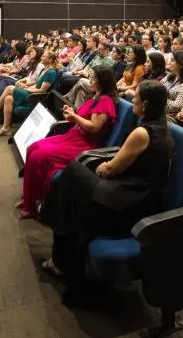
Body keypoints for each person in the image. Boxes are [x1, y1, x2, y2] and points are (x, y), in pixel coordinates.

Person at [40, 80, 173, 300]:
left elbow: (110, 169)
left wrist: (101, 169)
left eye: (137, 98)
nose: (132, 103)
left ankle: (50, 219)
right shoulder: (161, 127)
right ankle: (58, 245)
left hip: (131, 200)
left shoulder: (142, 132)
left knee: (72, 172)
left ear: (146, 104)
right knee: (69, 190)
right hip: (138, 193)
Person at [17, 65, 118, 219]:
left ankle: (34, 205)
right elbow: (82, 115)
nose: (90, 80)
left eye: (93, 78)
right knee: (32, 148)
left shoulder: (105, 100)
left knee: (40, 156)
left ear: (102, 81)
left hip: (85, 143)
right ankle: (29, 198)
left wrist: (74, 117)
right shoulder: (95, 96)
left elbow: (94, 127)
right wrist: (72, 112)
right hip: (73, 136)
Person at [0, 50, 59, 137]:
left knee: (9, 88)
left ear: (50, 60)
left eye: (44, 56)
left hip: (35, 98)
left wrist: (26, 88)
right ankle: (6, 128)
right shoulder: (45, 69)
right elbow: (36, 83)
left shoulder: (51, 72)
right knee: (8, 99)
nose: (41, 57)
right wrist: (25, 85)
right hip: (30, 92)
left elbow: (41, 91)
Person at [163, 49, 183, 120]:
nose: (169, 63)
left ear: (181, 64)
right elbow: (157, 88)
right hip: (162, 110)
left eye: (172, 60)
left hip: (171, 116)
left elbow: (177, 106)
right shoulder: (170, 76)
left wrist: (160, 99)